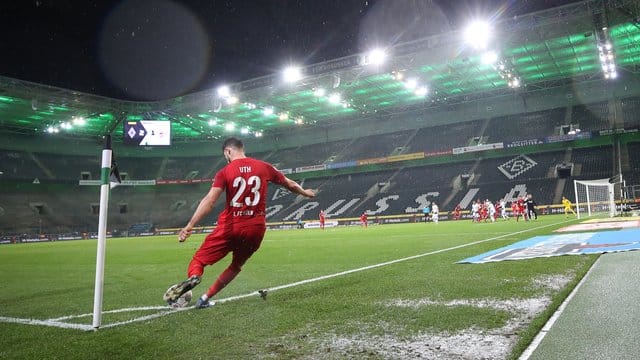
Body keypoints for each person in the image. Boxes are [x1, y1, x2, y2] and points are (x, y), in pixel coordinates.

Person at [164, 137, 315, 309]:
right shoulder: (264, 167)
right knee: (236, 266)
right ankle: (205, 298)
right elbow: (290, 184)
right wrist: (305, 193)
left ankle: (195, 276)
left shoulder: (225, 172)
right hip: (256, 228)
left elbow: (210, 201)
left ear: (228, 151)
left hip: (230, 226)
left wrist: (189, 225)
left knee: (198, 260)